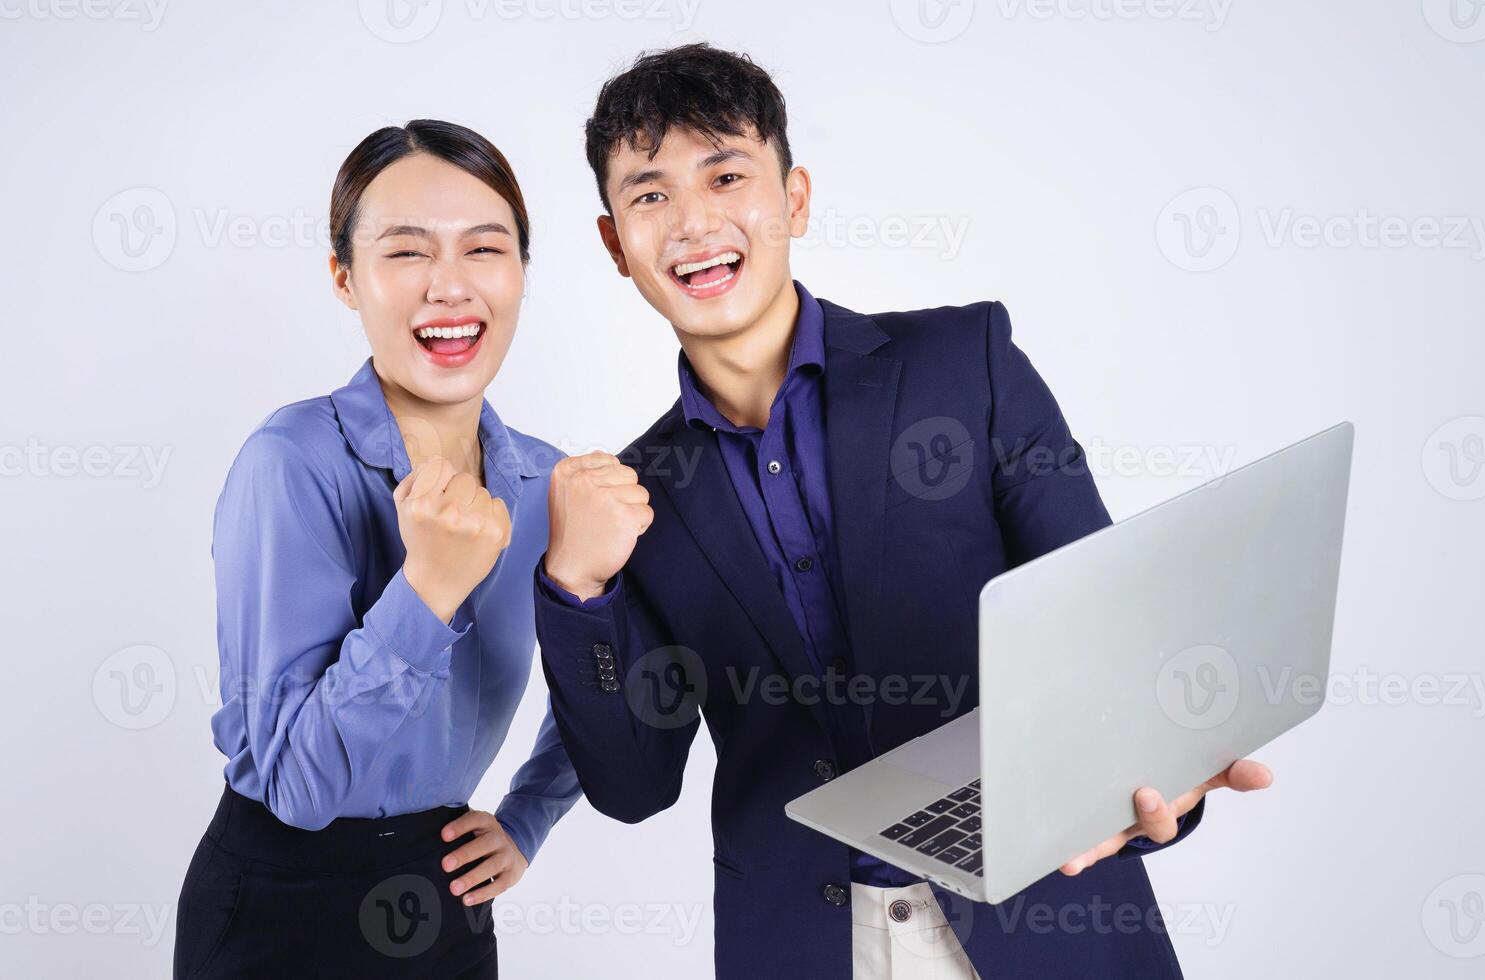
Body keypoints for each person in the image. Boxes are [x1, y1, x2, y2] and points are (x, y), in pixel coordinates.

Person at [533, 44, 1273, 979]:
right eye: (649, 196)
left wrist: (1166, 781)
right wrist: (576, 587)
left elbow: (1106, 635)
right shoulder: (632, 498)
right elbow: (633, 789)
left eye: (726, 174)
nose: (692, 222)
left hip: (1041, 917)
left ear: (794, 198)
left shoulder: (966, 364)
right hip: (803, 946)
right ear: (614, 244)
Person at [173, 119, 580, 979]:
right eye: (405, 253)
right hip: (282, 908)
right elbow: (300, 789)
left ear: (520, 273)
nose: (450, 286)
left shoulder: (551, 484)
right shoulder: (290, 464)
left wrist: (530, 816)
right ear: (345, 279)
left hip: (447, 894)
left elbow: (618, 682)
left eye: (484, 248)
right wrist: (426, 588)